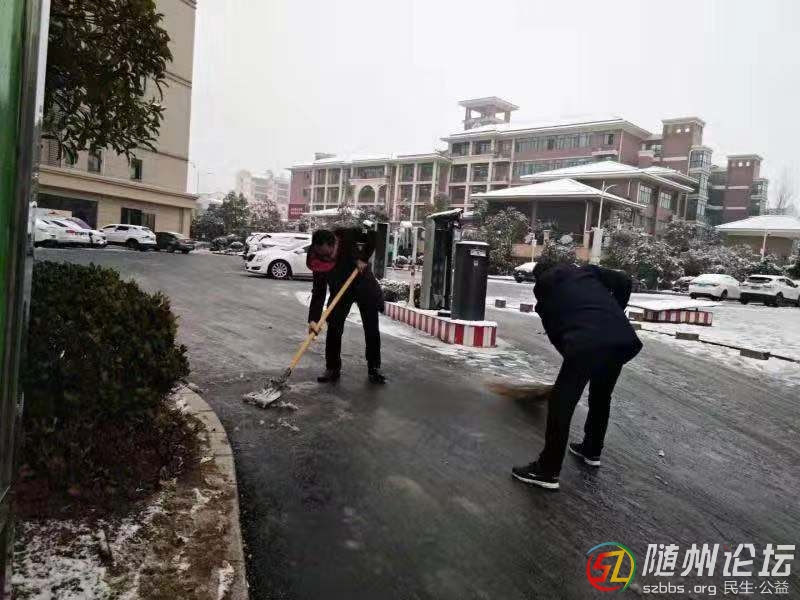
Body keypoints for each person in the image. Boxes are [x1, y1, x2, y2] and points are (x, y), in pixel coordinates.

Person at [511, 258, 642, 490]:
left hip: (586, 344)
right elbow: (624, 280)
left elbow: (558, 336)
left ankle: (547, 470)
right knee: (601, 396)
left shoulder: (544, 294)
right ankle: (591, 450)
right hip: (622, 339)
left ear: (539, 276)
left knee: (561, 404)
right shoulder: (587, 272)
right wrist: (617, 310)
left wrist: (575, 369)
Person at [307, 226, 386, 384]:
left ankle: (374, 367)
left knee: (371, 328)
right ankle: (332, 368)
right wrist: (313, 319)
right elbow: (318, 291)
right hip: (340, 291)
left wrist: (363, 258)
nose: (325, 258)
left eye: (327, 254)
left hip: (363, 285)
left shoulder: (346, 236)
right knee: (334, 326)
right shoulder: (316, 258)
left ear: (333, 245)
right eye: (321, 255)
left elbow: (374, 235)